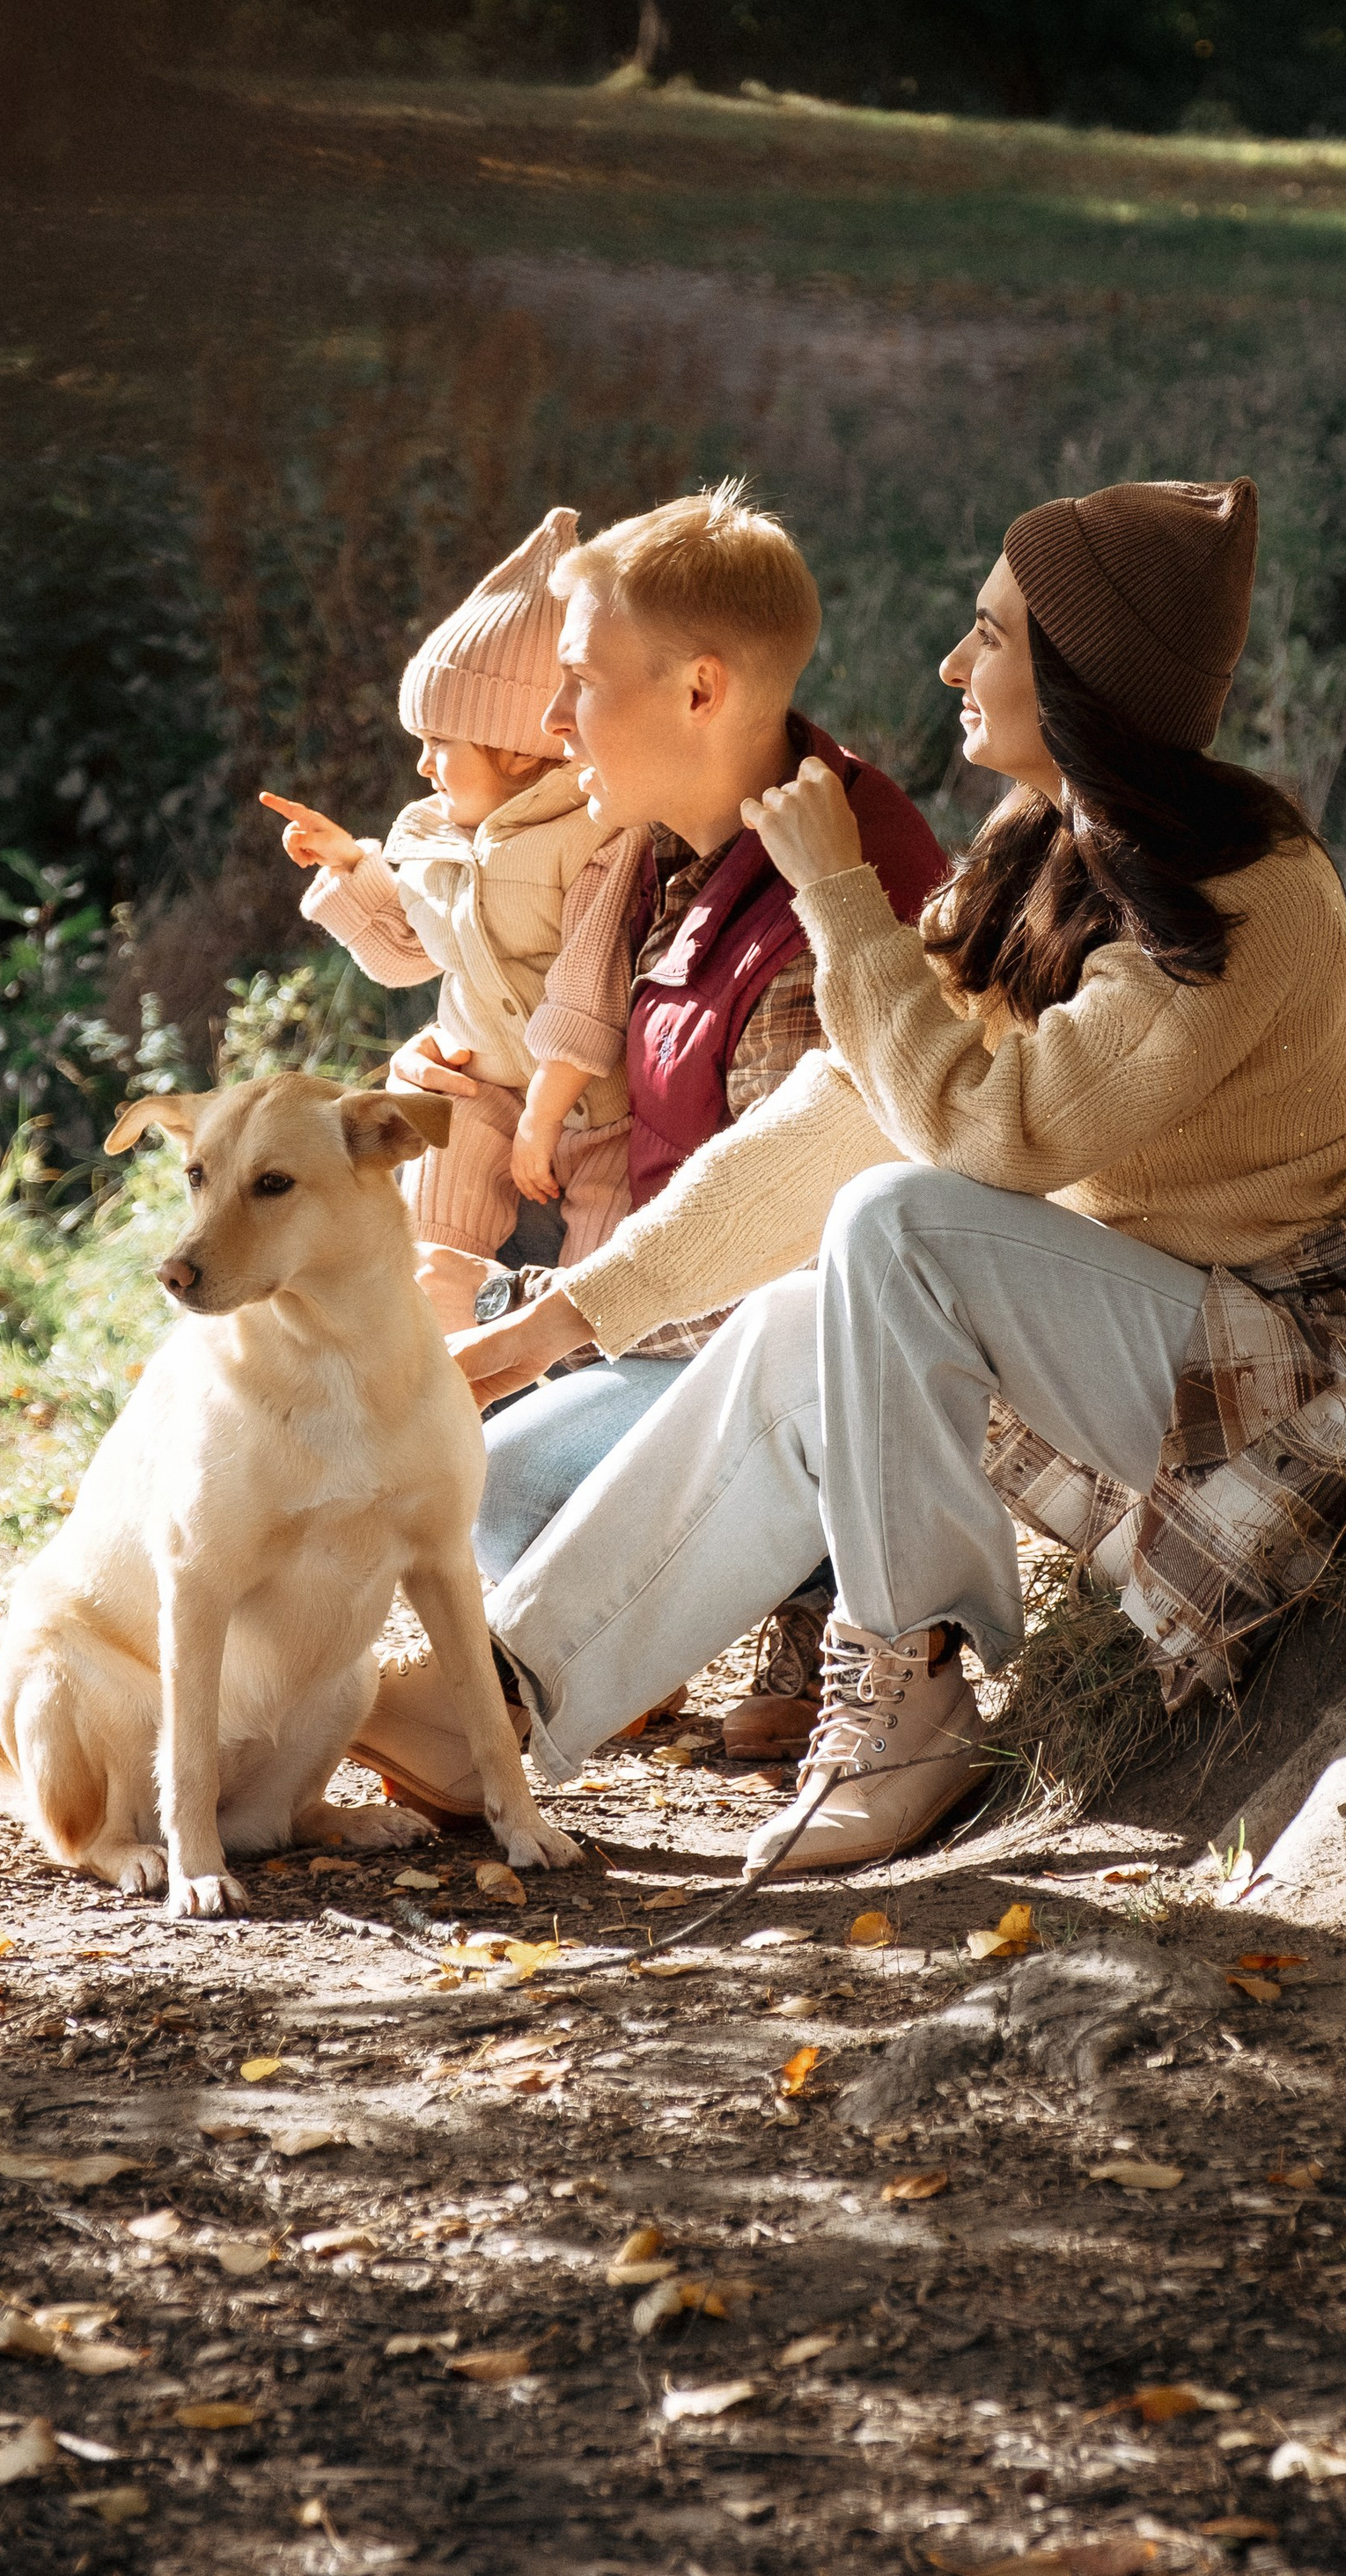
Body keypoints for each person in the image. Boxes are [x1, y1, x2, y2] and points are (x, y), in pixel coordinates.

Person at [455, 475, 1346, 1873]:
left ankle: (913, 1703)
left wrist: (843, 900)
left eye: (991, 638)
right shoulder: (1041, 853)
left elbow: (987, 1141)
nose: (955, 665)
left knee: (898, 1226)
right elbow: (846, 1112)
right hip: (1191, 1354)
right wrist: (571, 1315)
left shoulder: (1249, 895)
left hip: (1341, 1397)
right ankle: (500, 1700)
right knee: (803, 1314)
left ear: (1082, 676)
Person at [349, 481, 951, 1808]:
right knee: (440, 1436)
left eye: (577, 685)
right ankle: (668, 1617)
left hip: (779, 1352)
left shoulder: (826, 900)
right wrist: (446, 1087)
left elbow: (787, 1243)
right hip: (648, 1301)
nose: (553, 725)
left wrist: (527, 1329)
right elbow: (568, 1073)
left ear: (699, 691)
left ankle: (807, 1595)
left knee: (477, 1471)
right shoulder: (657, 854)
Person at [260, 508, 643, 1325]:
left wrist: (544, 1115)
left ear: (513, 745)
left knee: (604, 1261)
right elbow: (407, 955)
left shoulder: (596, 832)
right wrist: (352, 868)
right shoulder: (432, 834)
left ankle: (562, 1379)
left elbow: (589, 986)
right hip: (473, 1087)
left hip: (595, 1104)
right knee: (422, 1233)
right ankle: (421, 1356)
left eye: (441, 742)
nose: (423, 764)